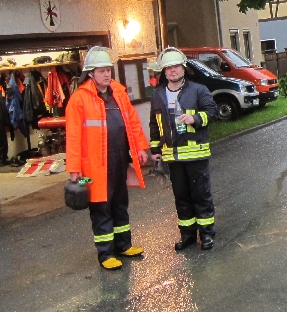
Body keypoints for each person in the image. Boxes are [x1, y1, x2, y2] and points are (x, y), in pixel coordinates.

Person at [66, 47, 150, 270]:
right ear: (91, 73)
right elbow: (73, 136)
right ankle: (106, 254)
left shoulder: (118, 94)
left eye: (108, 70)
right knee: (101, 207)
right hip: (93, 167)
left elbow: (133, 123)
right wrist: (74, 168)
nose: (107, 74)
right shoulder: (79, 99)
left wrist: (141, 148)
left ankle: (124, 245)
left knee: (120, 203)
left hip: (119, 159)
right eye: (102, 70)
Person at [149, 47, 219, 251]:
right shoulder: (158, 94)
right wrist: (155, 149)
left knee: (201, 195)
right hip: (173, 157)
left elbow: (212, 112)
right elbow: (155, 124)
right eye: (169, 67)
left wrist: (195, 118)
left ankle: (206, 235)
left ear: (183, 68)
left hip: (196, 154)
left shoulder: (198, 90)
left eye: (176, 66)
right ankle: (187, 235)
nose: (173, 71)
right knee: (181, 197)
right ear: (163, 71)